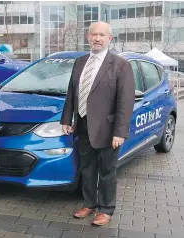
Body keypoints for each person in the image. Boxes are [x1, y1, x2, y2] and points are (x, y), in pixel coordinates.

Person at [60, 21, 135, 226]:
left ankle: (106, 209)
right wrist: (67, 118)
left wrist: (120, 132)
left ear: (109, 39)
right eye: (94, 34)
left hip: (108, 130)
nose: (97, 38)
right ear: (88, 37)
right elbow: (72, 92)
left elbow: (125, 102)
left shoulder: (121, 65)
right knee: (88, 168)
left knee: (107, 171)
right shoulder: (80, 62)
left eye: (102, 35)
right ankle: (89, 204)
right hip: (83, 125)